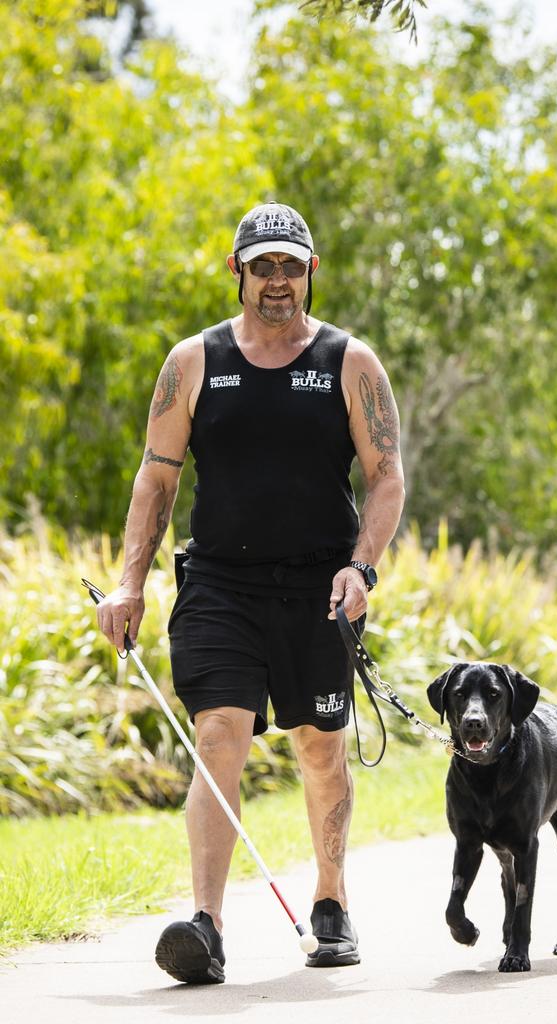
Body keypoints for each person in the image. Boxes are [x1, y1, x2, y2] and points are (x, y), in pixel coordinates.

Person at [97, 201, 405, 983]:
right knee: (219, 734)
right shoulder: (191, 362)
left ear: (311, 272)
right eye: (262, 265)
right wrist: (129, 581)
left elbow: (386, 478)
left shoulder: (350, 362)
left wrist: (360, 567)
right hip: (220, 586)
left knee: (321, 749)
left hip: (318, 590)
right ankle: (205, 925)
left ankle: (330, 903)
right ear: (237, 271)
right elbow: (156, 477)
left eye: (290, 266)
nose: (277, 280)